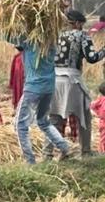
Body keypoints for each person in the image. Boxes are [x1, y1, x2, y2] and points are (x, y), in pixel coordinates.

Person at [11, 30, 72, 164]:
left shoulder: (29, 43)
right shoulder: (51, 44)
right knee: (43, 122)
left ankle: (30, 161)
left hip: (33, 89)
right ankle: (64, 148)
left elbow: (10, 36)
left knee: (20, 125)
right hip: (48, 88)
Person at [49, 9, 104, 156]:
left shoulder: (56, 35)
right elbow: (92, 57)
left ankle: (48, 153)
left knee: (55, 118)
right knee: (83, 115)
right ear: (78, 23)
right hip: (72, 80)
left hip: (54, 79)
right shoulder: (82, 35)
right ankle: (85, 151)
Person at [9, 46, 25, 115]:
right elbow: (12, 71)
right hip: (17, 80)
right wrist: (12, 82)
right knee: (17, 93)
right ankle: (17, 109)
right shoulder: (16, 57)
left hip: (24, 80)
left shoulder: (28, 57)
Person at [92, 83, 105, 154]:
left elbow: (92, 105)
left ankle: (102, 151)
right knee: (103, 138)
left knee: (103, 137)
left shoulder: (101, 99)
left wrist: (97, 112)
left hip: (102, 122)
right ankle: (101, 151)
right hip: (103, 123)